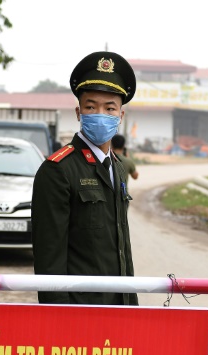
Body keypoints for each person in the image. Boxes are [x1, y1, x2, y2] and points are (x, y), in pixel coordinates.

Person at [31, 51, 138, 306]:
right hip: (80, 311)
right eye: (91, 106)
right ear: (79, 112)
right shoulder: (58, 170)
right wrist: (59, 318)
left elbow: (122, 248)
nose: (100, 113)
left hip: (119, 305)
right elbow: (49, 259)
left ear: (120, 116)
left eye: (109, 107)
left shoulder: (119, 167)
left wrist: (131, 305)